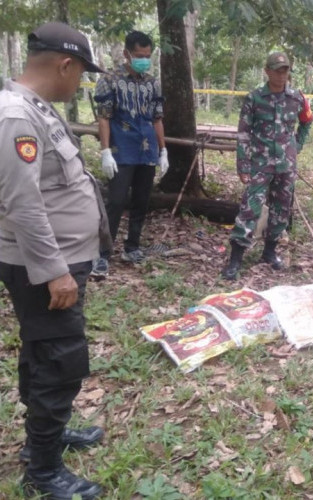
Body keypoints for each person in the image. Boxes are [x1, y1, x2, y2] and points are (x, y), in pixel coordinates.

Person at [0, 21, 111, 499]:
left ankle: (45, 437)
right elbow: (23, 205)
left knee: (42, 352)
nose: (81, 82)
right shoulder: (17, 117)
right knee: (61, 360)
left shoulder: (35, 109)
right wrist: (56, 272)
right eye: (82, 72)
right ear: (65, 64)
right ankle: (44, 471)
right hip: (42, 267)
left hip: (54, 261)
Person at [221, 51, 313, 280]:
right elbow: (243, 133)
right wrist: (242, 165)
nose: (282, 75)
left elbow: (307, 121)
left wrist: (296, 146)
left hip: (286, 165)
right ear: (267, 71)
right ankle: (235, 259)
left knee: (282, 209)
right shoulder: (255, 98)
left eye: (285, 70)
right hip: (260, 164)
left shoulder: (297, 98)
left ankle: (270, 252)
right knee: (250, 208)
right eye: (277, 70)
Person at [91, 30, 168, 277]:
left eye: (147, 55)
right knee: (115, 201)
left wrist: (163, 150)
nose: (143, 59)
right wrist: (105, 152)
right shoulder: (109, 80)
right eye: (138, 55)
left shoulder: (153, 82)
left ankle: (132, 246)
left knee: (142, 201)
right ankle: (103, 254)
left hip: (147, 152)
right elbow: (104, 117)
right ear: (126, 53)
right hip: (120, 150)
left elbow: (157, 118)